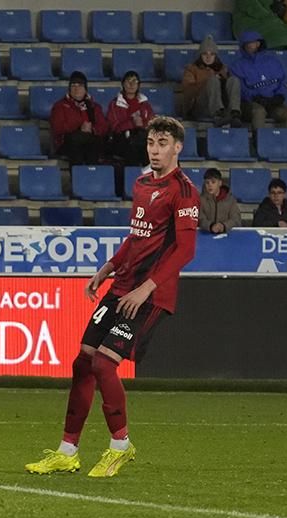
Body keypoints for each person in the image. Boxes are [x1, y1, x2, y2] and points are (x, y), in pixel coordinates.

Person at [26, 116, 198, 478]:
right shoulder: (140, 184)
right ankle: (67, 451)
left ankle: (120, 445)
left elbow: (185, 251)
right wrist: (105, 270)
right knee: (83, 363)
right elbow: (136, 238)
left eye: (163, 143)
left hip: (151, 294)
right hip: (121, 287)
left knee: (105, 363)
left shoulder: (183, 192)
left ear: (178, 147)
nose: (155, 149)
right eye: (151, 142)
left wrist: (145, 288)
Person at [229, 30, 287, 129]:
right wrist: (256, 98)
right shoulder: (237, 66)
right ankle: (257, 142)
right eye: (247, 43)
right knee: (259, 112)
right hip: (251, 103)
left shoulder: (273, 61)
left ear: (258, 43)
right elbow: (241, 89)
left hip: (273, 103)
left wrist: (279, 96)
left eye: (252, 42)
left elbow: (281, 81)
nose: (250, 45)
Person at [181, 35, 243, 128]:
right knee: (213, 80)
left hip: (222, 104)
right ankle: (218, 114)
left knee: (234, 80)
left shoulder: (222, 68)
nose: (208, 57)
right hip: (200, 106)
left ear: (216, 56)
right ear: (200, 55)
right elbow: (188, 92)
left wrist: (222, 79)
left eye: (212, 54)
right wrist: (208, 81)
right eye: (205, 54)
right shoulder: (192, 69)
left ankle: (234, 113)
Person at [50, 71, 108, 165]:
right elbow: (57, 127)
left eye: (80, 85)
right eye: (73, 85)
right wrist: (79, 126)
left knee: (95, 142)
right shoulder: (60, 106)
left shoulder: (93, 106)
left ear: (85, 89)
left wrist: (92, 129)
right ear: (69, 88)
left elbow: (104, 126)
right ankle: (77, 177)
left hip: (89, 142)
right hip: (67, 143)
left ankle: (91, 175)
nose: (76, 89)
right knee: (76, 141)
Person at [106, 71, 154, 167]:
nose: (132, 84)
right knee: (134, 148)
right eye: (128, 81)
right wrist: (132, 123)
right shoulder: (115, 104)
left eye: (135, 81)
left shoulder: (145, 104)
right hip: (122, 139)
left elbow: (151, 123)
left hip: (142, 137)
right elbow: (114, 126)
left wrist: (141, 125)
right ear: (123, 84)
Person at [198, 168, 241, 235]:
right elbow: (199, 219)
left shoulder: (230, 200)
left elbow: (236, 219)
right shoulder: (200, 200)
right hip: (205, 237)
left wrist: (223, 226)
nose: (210, 185)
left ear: (220, 183)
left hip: (226, 238)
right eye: (207, 182)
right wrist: (210, 226)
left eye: (213, 182)